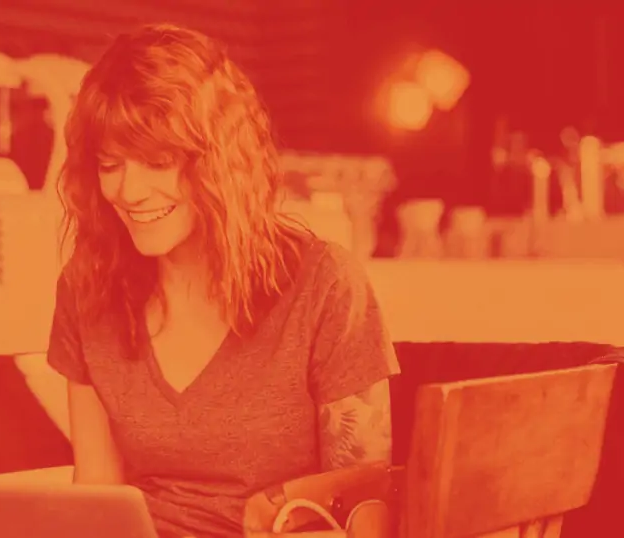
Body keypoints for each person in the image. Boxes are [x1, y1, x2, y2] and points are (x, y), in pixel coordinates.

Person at [47, 23, 400, 538]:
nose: (129, 191)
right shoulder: (87, 286)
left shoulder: (323, 284)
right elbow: (98, 491)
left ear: (220, 162)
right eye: (110, 164)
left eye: (159, 162)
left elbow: (363, 505)